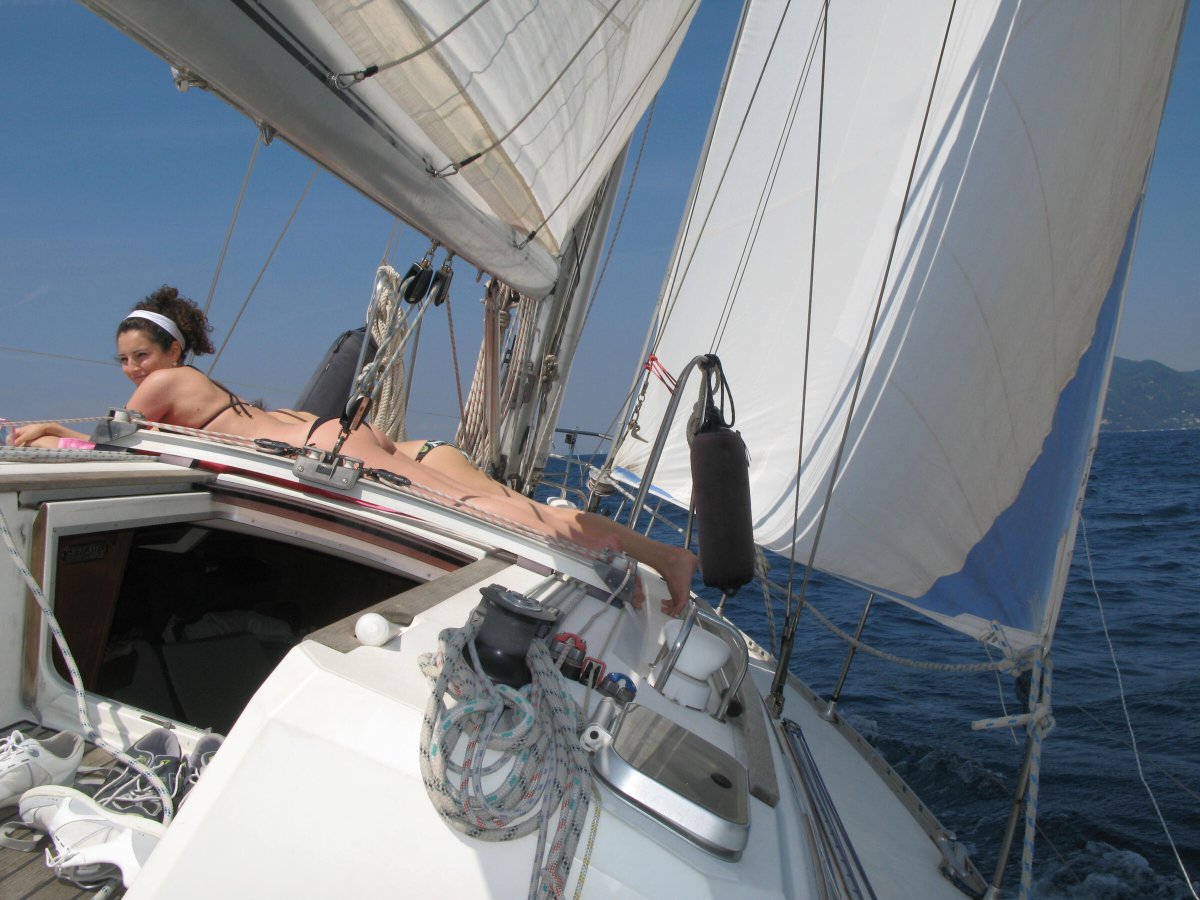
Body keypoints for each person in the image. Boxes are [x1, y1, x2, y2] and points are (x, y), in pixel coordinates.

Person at [11, 287, 696, 614]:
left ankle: (665, 557)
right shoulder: (195, 382)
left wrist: (47, 432)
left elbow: (120, 441)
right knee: (517, 505)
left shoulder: (164, 384)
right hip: (364, 440)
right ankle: (656, 555)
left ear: (171, 351)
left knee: (516, 520)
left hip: (340, 449)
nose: (133, 368)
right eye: (124, 359)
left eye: (141, 355)